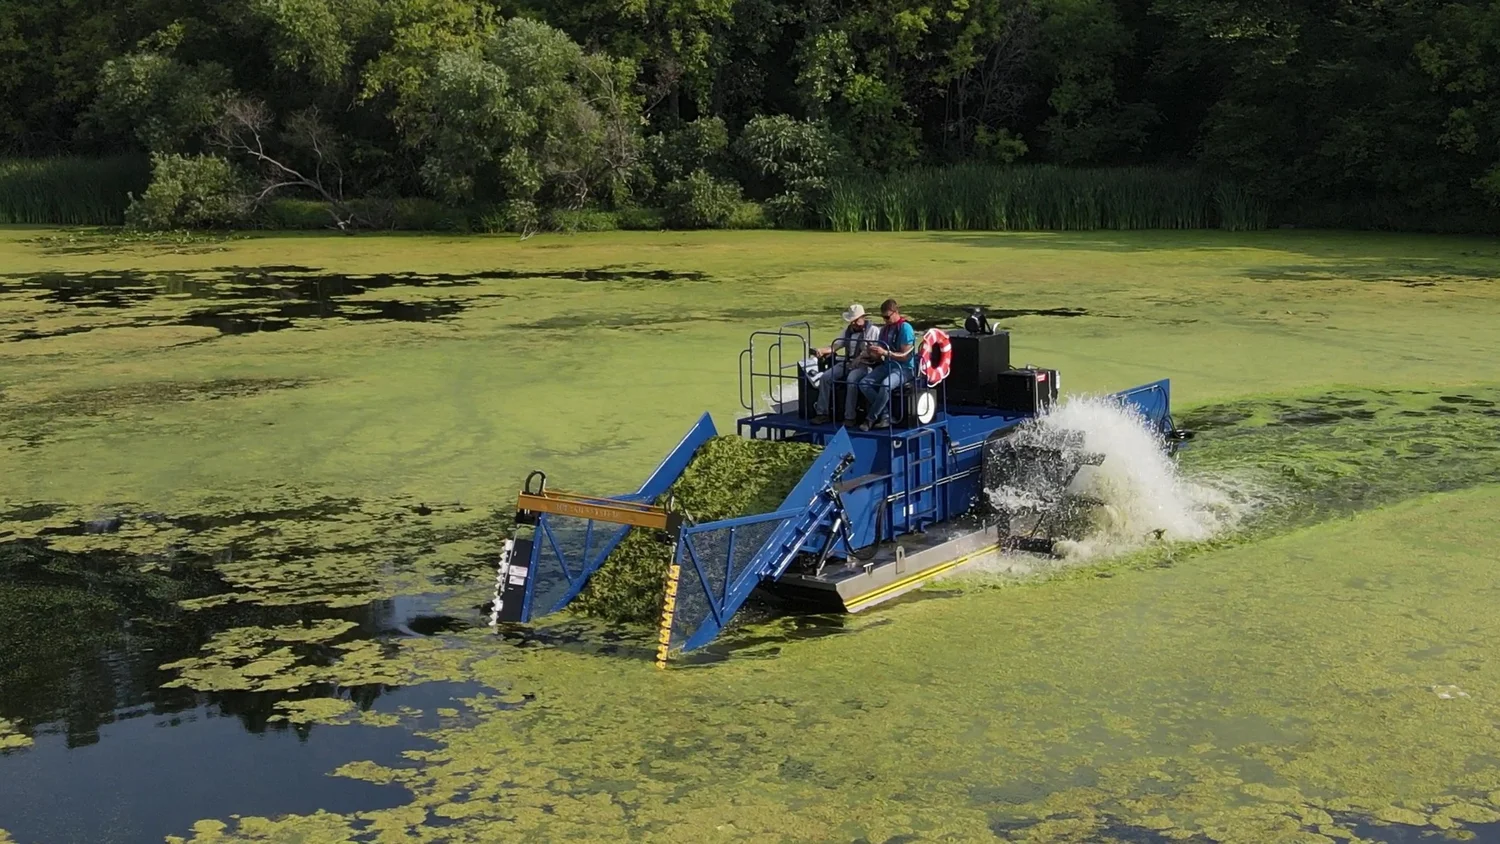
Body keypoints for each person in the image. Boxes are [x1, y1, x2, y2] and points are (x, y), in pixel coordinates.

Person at [811, 304, 881, 424]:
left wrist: (861, 358)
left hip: (866, 365)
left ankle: (850, 417)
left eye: (855, 321)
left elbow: (878, 354)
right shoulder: (847, 331)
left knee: (851, 379)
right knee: (826, 377)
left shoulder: (874, 331)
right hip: (848, 362)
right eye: (851, 321)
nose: (853, 324)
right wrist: (822, 350)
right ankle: (822, 413)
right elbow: (836, 346)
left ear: (863, 318)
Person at [857, 298, 917, 430]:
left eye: (887, 317)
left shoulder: (905, 329)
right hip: (888, 366)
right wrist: (871, 352)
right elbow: (880, 355)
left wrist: (884, 352)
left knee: (885, 384)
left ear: (896, 313)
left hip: (905, 369)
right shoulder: (884, 330)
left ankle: (870, 419)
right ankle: (885, 414)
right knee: (863, 383)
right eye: (883, 317)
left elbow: (905, 356)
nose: (885, 320)